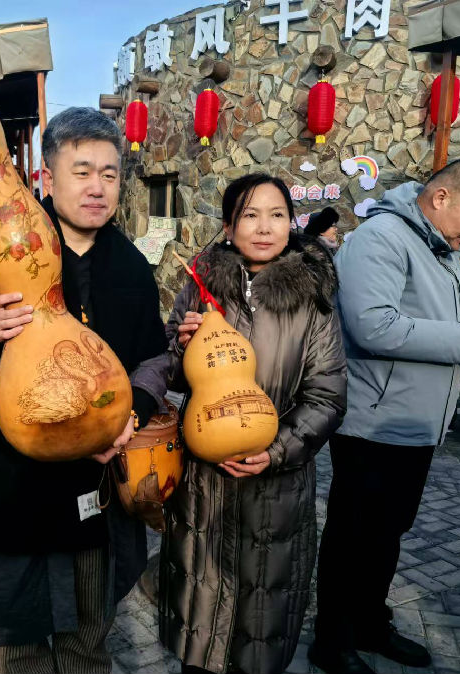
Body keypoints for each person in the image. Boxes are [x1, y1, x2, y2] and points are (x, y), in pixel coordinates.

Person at [0, 107, 169, 674]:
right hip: (10, 489)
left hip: (94, 489)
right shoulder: (1, 251)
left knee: (89, 643)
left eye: (109, 174)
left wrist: (131, 412)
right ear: (47, 179)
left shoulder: (131, 268)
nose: (97, 187)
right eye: (82, 171)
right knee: (18, 650)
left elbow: (156, 358)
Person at [310, 159, 460, 674]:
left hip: (417, 423)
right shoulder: (383, 236)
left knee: (387, 533)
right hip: (374, 421)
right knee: (353, 533)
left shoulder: (439, 247)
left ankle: (369, 623)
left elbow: (427, 323)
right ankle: (332, 640)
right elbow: (373, 327)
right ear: (443, 198)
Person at [161, 173, 347, 674]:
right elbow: (172, 376)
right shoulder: (198, 288)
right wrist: (181, 345)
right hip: (204, 489)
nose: (264, 227)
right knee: (201, 633)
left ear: (293, 223)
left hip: (277, 491)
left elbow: (327, 395)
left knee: (259, 638)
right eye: (249, 215)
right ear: (227, 226)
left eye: (277, 215)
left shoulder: (314, 299)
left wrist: (278, 450)